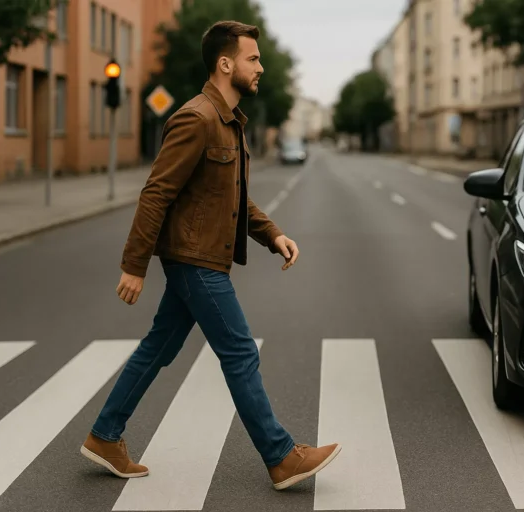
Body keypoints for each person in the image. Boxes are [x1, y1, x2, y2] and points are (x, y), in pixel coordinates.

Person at [79, 20, 341, 491]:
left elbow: (234, 198)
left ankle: (105, 435)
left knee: (159, 347)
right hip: (194, 259)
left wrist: (272, 234)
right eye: (253, 59)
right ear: (226, 64)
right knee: (240, 351)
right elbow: (156, 193)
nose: (260, 67)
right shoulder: (196, 119)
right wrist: (133, 266)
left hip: (199, 257)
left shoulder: (229, 123)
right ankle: (280, 456)